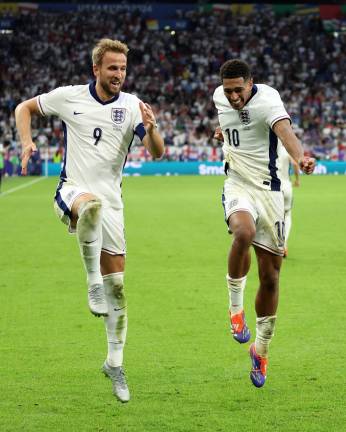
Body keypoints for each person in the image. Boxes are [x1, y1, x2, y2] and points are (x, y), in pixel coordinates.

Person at [15, 38, 165, 403]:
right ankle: (91, 282)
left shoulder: (132, 107)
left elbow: (157, 153)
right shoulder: (70, 97)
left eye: (123, 69)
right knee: (90, 207)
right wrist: (26, 142)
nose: (118, 75)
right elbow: (23, 108)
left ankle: (115, 363)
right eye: (112, 68)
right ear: (96, 69)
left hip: (114, 205)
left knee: (119, 290)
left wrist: (154, 127)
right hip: (72, 191)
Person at [213, 59, 315, 388]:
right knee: (243, 232)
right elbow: (232, 125)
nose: (232, 97)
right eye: (228, 90)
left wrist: (300, 157)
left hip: (270, 192)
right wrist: (223, 135)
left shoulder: (269, 99)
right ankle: (234, 310)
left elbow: (285, 133)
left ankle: (261, 349)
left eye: (238, 90)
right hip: (237, 185)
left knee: (270, 277)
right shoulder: (219, 97)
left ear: (251, 82)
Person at [277, 144, 300, 258]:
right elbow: (295, 163)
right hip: (286, 186)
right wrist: (297, 180)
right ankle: (283, 243)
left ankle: (272, 245)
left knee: (273, 215)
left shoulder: (268, 147)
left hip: (273, 187)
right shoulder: (287, 148)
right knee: (287, 215)